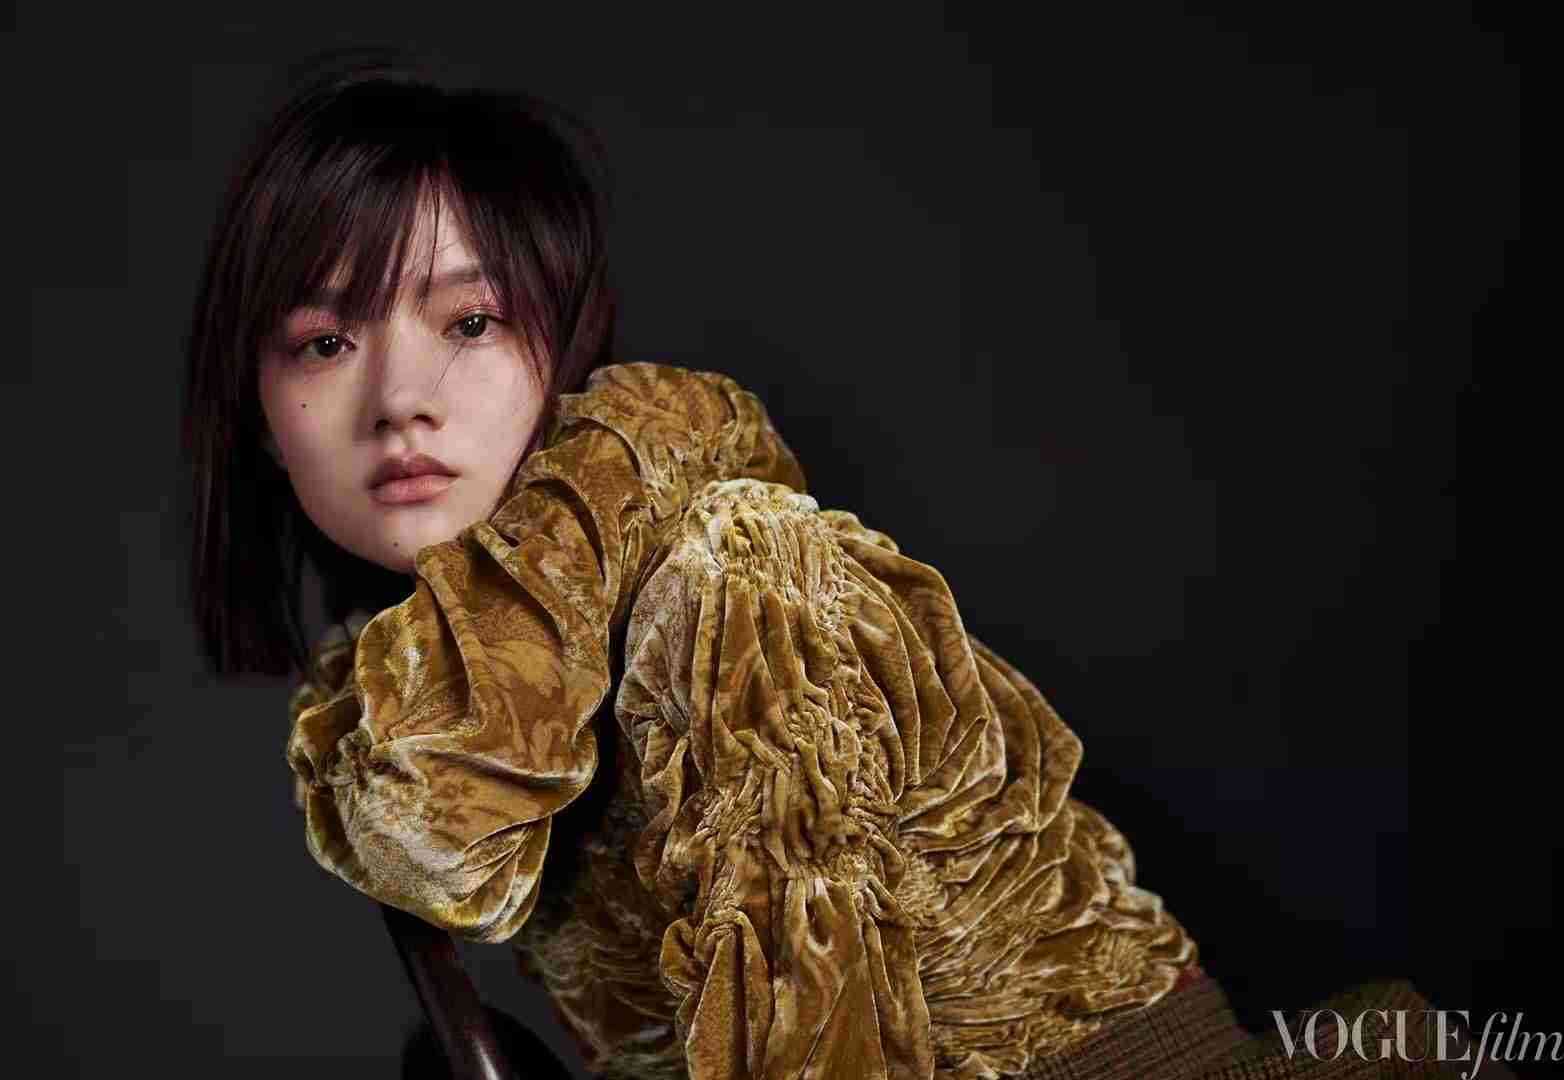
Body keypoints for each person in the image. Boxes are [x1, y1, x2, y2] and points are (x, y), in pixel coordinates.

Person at [181, 48, 1508, 1080]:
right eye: (324, 342)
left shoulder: (731, 580)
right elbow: (448, 835)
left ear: (560, 342)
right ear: (254, 404)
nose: (400, 398)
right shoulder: (403, 679)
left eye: (468, 320)